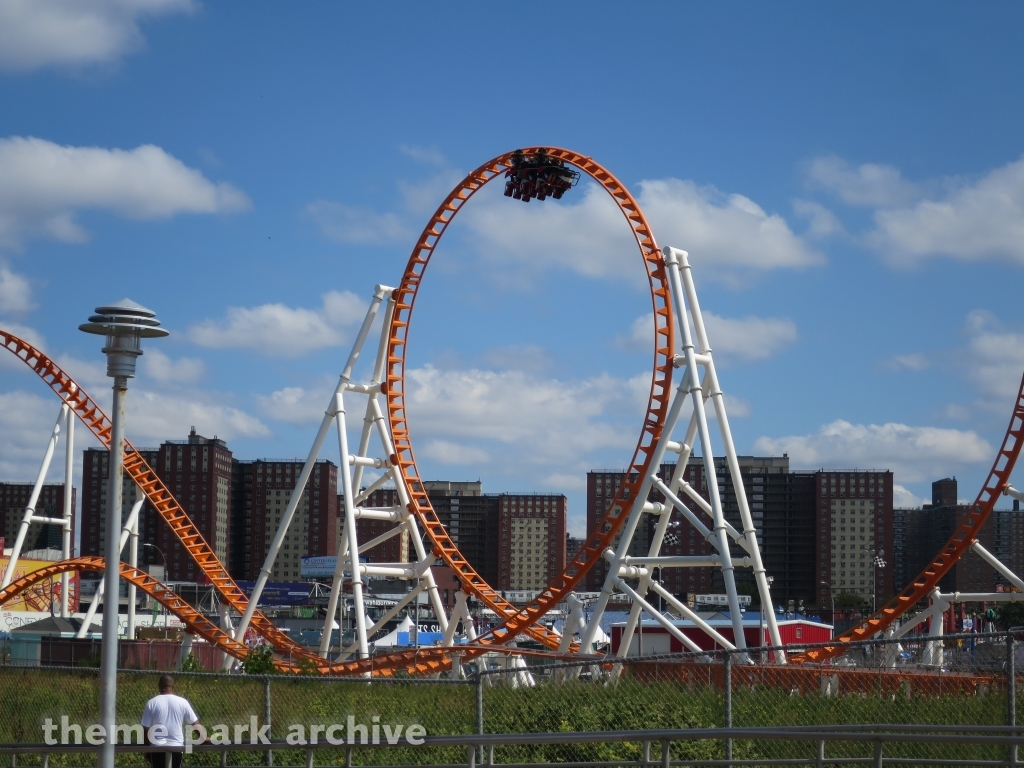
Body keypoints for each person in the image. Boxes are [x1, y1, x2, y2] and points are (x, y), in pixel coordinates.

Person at [141, 674, 200, 768]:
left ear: (159, 686)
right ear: (173, 687)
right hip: (176, 747)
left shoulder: (151, 703)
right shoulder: (182, 702)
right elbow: (195, 724)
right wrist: (204, 738)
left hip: (157, 748)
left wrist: (146, 750)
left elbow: (145, 729)